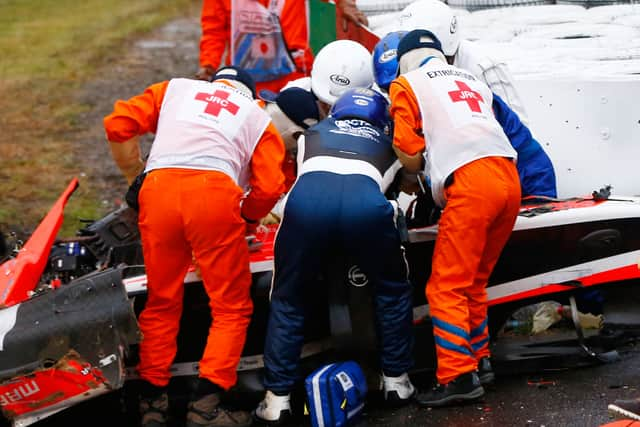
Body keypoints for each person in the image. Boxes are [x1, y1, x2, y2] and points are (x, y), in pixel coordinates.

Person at [103, 66, 286, 427]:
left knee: (161, 300)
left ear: (211, 83)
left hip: (158, 192)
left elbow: (117, 124)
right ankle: (206, 403)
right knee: (230, 306)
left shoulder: (175, 89)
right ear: (252, 94)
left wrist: (136, 174)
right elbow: (269, 187)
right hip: (214, 198)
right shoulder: (256, 115)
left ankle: (152, 401)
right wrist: (246, 218)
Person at [254, 88, 416, 424]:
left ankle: (276, 401)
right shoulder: (392, 142)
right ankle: (396, 382)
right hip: (365, 209)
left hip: (307, 207)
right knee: (392, 291)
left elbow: (294, 185)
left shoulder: (309, 136)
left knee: (287, 300)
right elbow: (408, 192)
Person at [389, 29, 521, 407]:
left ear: (405, 59)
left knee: (445, 286)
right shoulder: (473, 80)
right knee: (474, 281)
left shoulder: (406, 83)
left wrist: (416, 175)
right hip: (509, 179)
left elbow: (408, 148)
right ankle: (480, 361)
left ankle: (457, 375)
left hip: (472, 182)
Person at [372, 29, 557, 198]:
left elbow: (523, 148)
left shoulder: (453, 98)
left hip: (526, 179)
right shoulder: (452, 90)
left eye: (394, 86)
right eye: (386, 90)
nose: (393, 96)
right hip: (487, 185)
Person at [196, 0, 368, 93]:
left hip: (295, 78)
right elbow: (213, 30)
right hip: (245, 84)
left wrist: (345, 3)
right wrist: (208, 65)